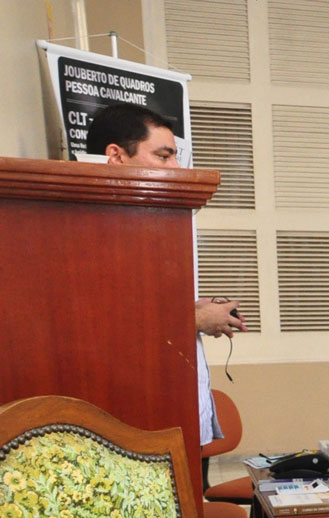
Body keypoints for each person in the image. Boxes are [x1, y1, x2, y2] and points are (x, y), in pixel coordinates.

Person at [88, 102, 244, 447]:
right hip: (137, 419)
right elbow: (105, 321)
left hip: (175, 409)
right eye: (163, 156)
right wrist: (195, 318)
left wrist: (196, 309)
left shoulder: (149, 220)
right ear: (116, 155)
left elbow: (143, 306)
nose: (176, 168)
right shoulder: (92, 226)